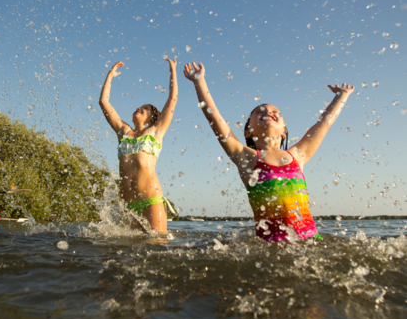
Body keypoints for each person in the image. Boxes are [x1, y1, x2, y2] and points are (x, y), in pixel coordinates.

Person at [184, 62, 354, 242]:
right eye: (259, 112)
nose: (268, 112)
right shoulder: (246, 157)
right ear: (248, 131)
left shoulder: (297, 154)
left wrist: (341, 96)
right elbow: (214, 116)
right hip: (272, 247)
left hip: (311, 241)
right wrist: (199, 81)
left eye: (276, 112)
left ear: (284, 131)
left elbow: (324, 123)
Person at [99, 59, 178, 235]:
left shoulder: (156, 132)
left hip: (151, 201)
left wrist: (173, 69)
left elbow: (172, 99)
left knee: (156, 247)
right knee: (128, 253)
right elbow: (104, 102)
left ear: (153, 117)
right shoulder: (123, 132)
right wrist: (110, 76)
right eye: (139, 106)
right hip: (127, 205)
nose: (139, 108)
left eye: (145, 108)